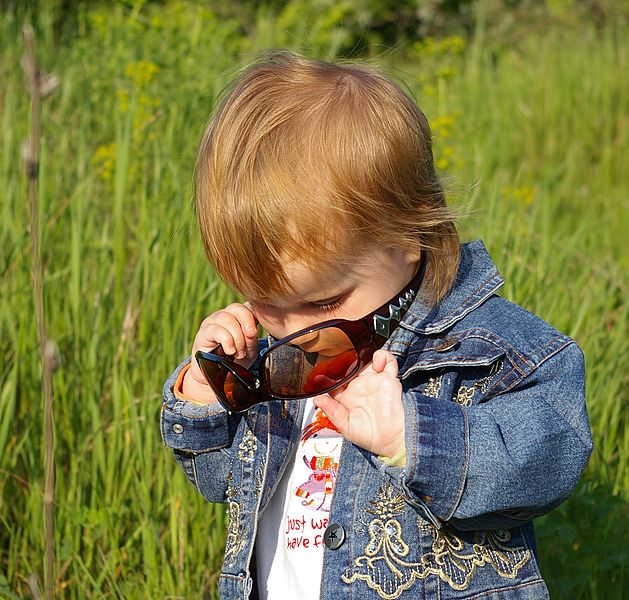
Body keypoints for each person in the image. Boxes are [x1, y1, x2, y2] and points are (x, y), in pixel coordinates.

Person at [160, 49, 592, 600]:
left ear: (409, 234)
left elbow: (553, 457)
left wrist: (415, 438)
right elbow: (223, 481)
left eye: (321, 304)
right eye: (263, 303)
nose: (290, 332)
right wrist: (208, 392)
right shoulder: (279, 366)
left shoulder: (486, 351)